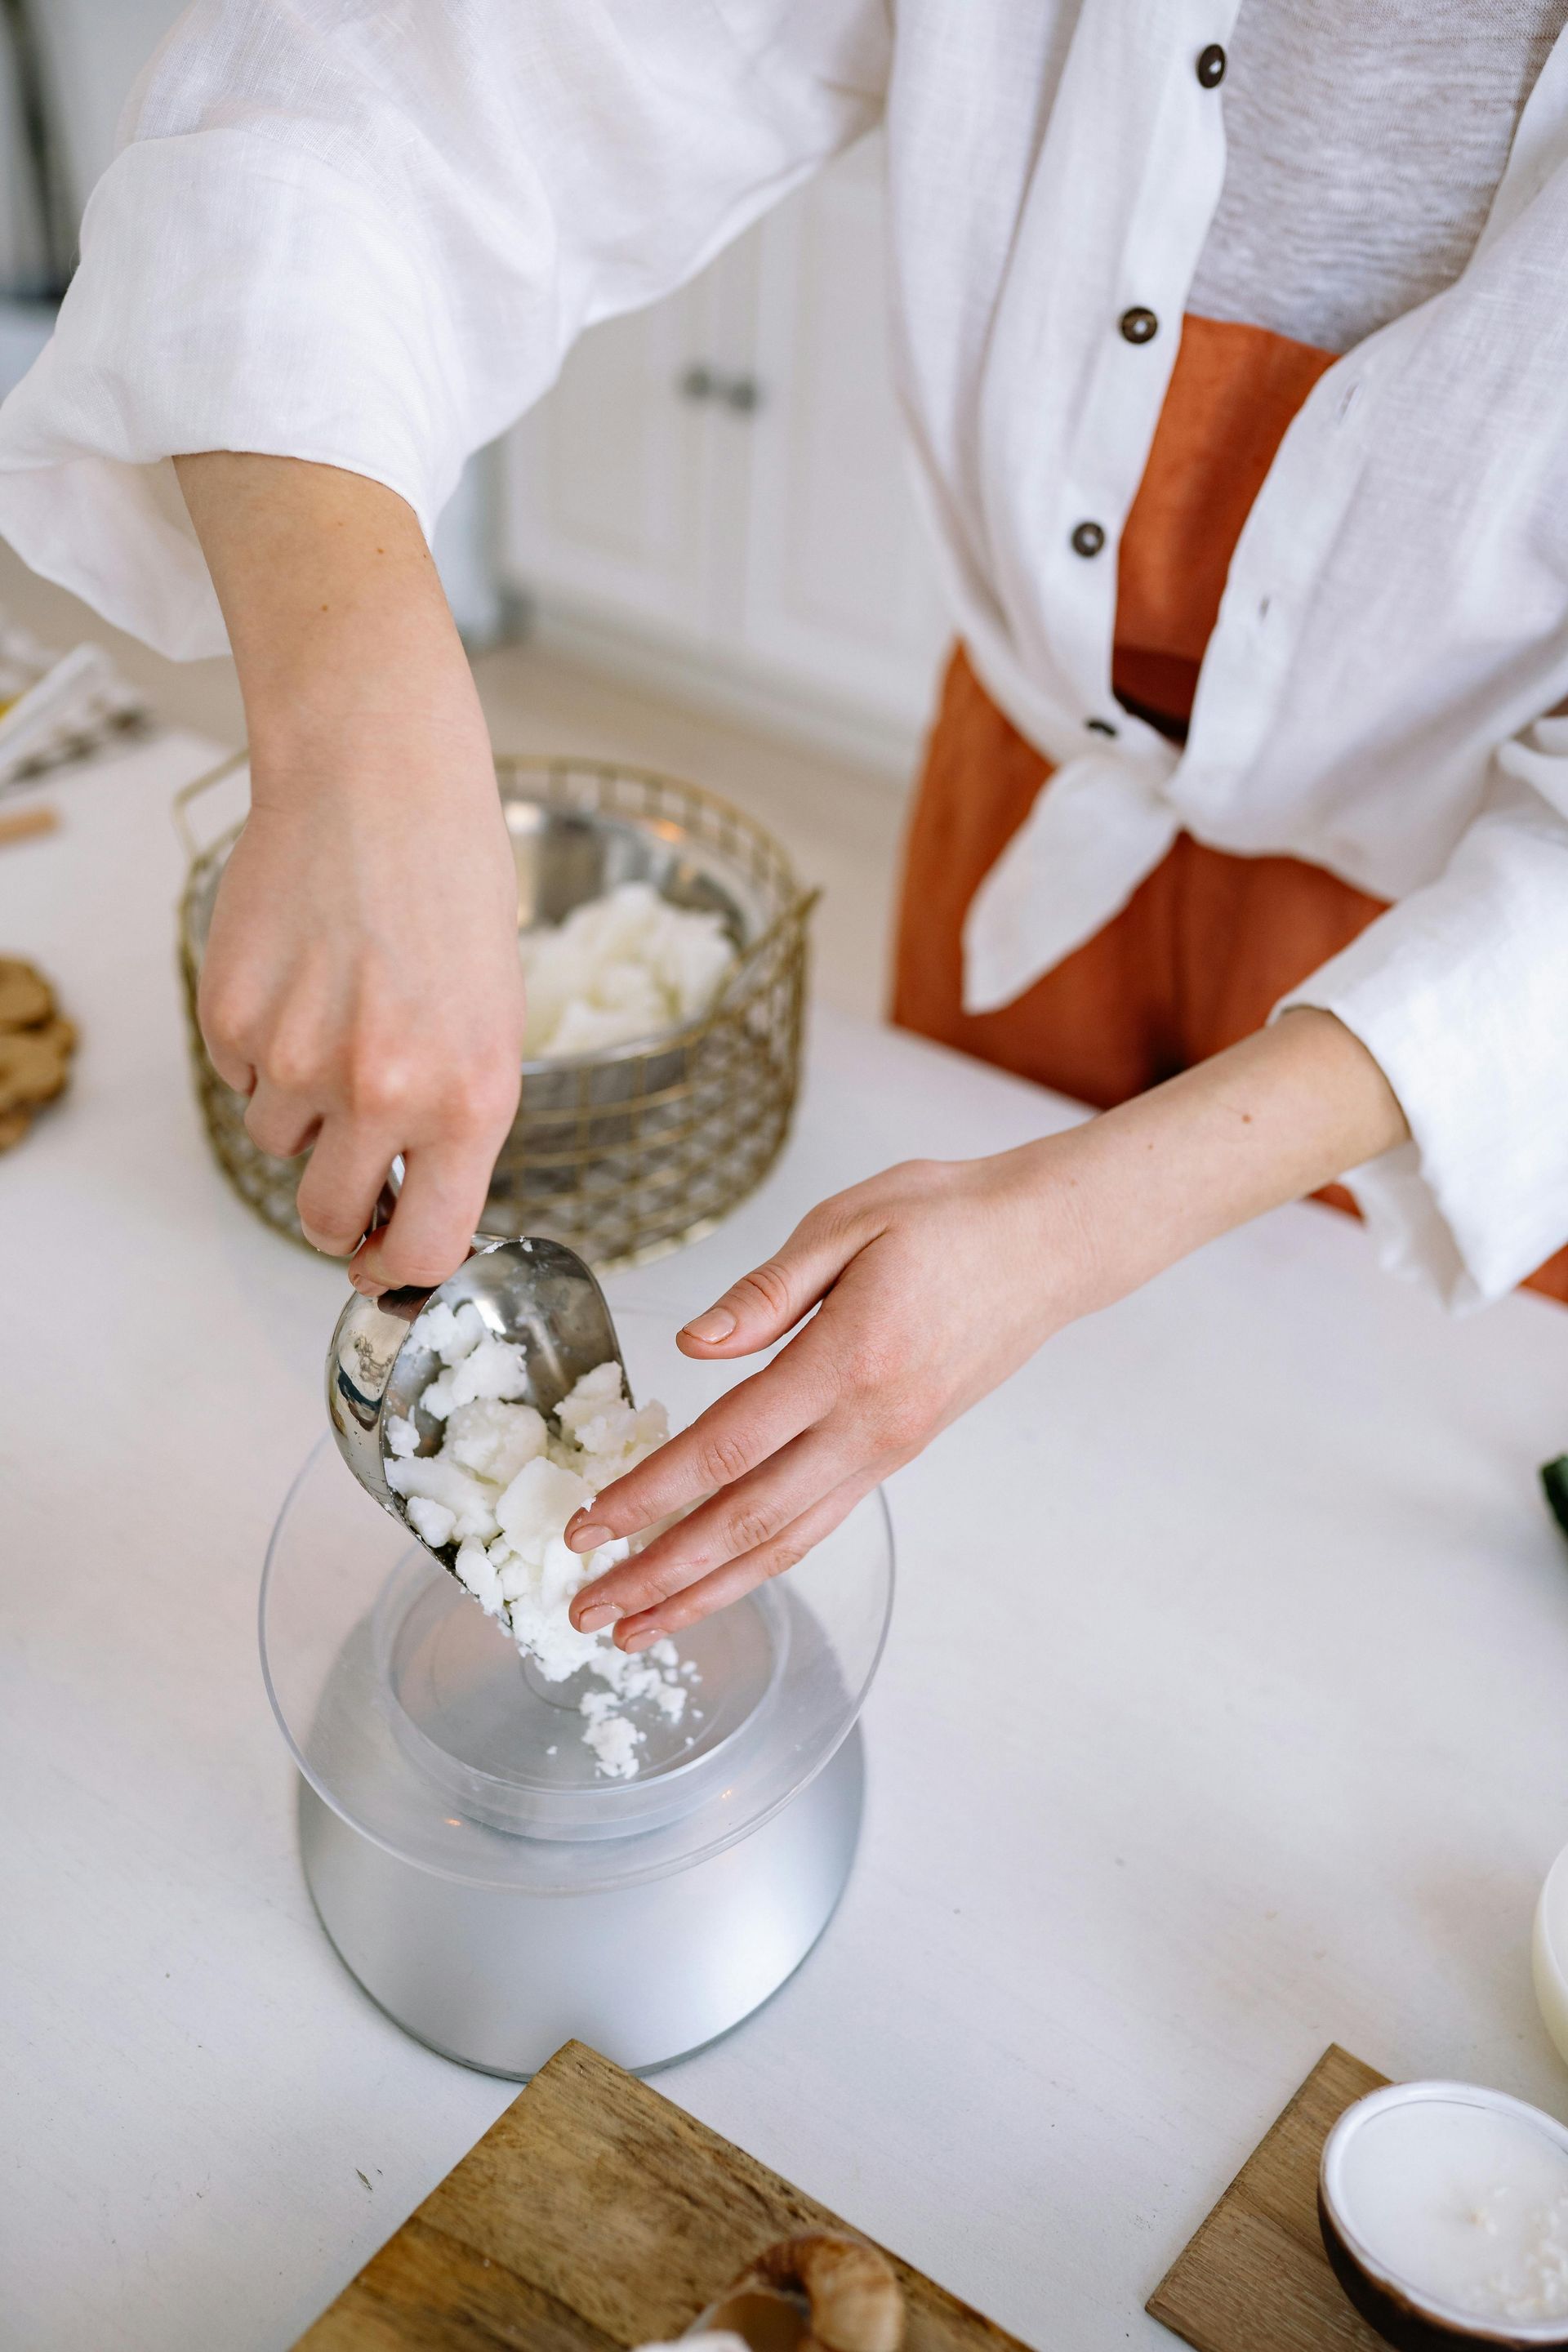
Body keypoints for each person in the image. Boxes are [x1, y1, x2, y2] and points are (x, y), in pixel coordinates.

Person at [4, 3, 1566, 1657]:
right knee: (1026, 1522)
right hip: (1046, 801)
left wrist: (1081, 1224)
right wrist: (358, 725)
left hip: (1472, 994)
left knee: (1362, 1553)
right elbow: (381, 88)